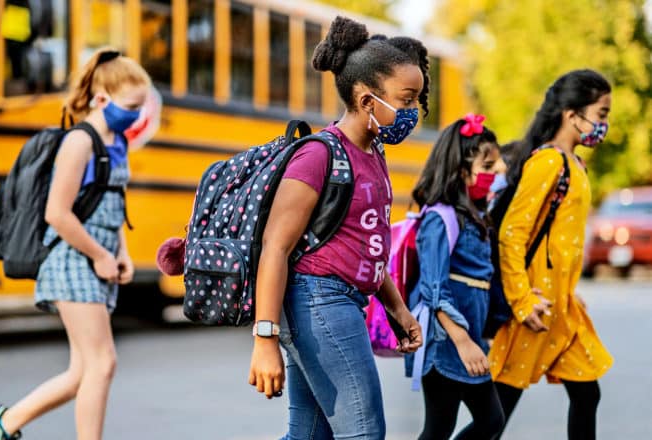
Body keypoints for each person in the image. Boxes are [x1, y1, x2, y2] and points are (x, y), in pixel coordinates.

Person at [247, 16, 426, 440]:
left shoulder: (374, 155)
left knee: (309, 437)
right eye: (406, 100)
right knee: (363, 432)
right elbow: (275, 247)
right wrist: (264, 339)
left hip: (343, 301)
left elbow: (368, 247)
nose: (413, 112)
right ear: (367, 101)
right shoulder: (318, 155)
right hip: (317, 301)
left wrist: (397, 309)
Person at [0, 48, 152, 440]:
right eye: (131, 106)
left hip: (95, 261)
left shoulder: (115, 141)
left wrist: (120, 252)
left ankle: (1, 424)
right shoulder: (79, 142)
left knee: (81, 372)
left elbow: (109, 202)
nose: (137, 114)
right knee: (102, 363)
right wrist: (100, 254)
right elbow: (57, 213)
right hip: (71, 260)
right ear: (101, 99)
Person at [463, 69, 614, 440]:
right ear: (571, 115)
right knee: (495, 416)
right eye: (602, 113)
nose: (604, 124)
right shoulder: (548, 163)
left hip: (561, 308)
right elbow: (513, 233)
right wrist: (522, 300)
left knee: (586, 391)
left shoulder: (574, 164)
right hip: (534, 308)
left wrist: (567, 288)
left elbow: (557, 242)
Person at [405, 114, 505, 440]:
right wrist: (464, 342)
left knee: (460, 424)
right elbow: (435, 288)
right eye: (489, 167)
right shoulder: (440, 218)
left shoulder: (476, 218)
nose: (500, 171)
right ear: (462, 172)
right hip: (446, 341)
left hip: (466, 339)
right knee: (471, 422)